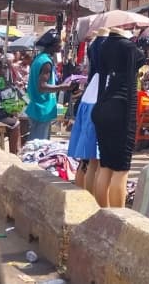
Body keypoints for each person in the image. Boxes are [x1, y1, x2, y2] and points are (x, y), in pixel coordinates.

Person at [92, 28, 147, 208]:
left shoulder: (103, 46)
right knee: (121, 169)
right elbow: (139, 60)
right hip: (121, 109)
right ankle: (119, 216)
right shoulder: (129, 48)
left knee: (106, 165)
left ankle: (103, 212)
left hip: (102, 106)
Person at [68, 27, 108, 194]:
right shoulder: (105, 47)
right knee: (95, 162)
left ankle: (80, 194)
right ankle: (90, 198)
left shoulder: (93, 47)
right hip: (99, 102)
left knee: (85, 160)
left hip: (88, 99)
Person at [26, 29, 72, 141]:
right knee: (38, 144)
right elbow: (42, 87)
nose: (61, 45)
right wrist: (63, 87)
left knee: (37, 142)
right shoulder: (46, 63)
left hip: (38, 107)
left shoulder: (39, 59)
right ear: (53, 45)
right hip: (42, 108)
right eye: (59, 43)